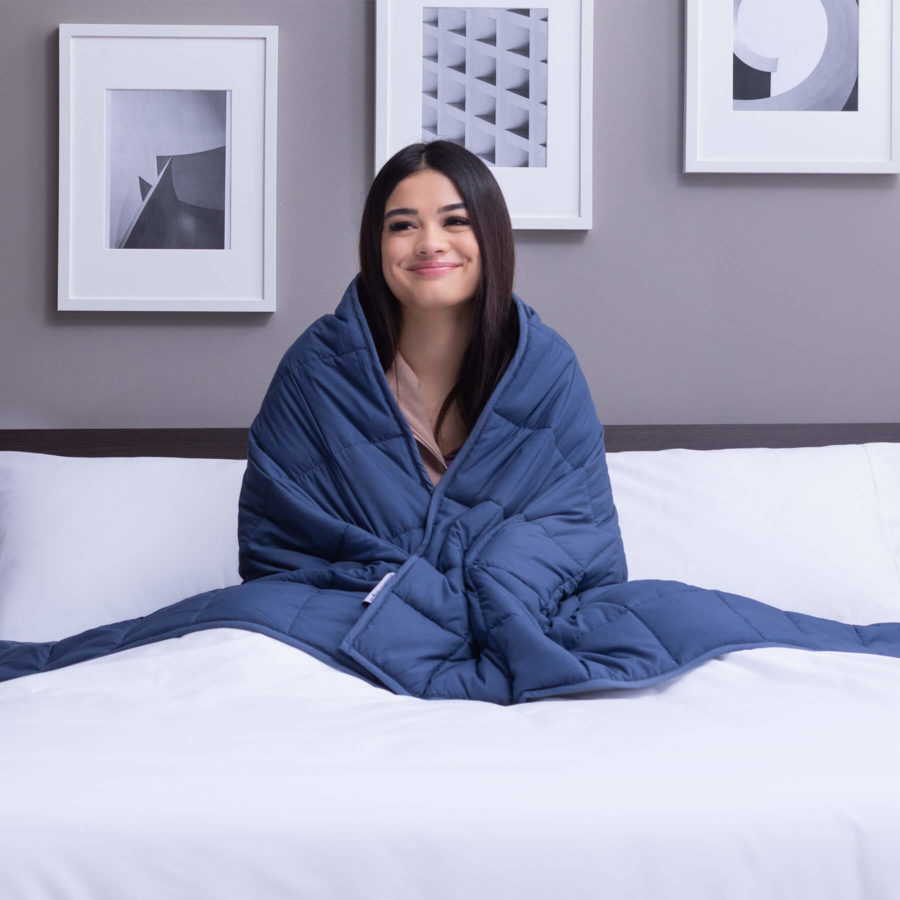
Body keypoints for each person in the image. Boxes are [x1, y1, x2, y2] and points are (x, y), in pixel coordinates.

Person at [356, 140, 519, 484]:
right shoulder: (312, 374)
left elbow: (572, 522)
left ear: (492, 236)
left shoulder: (550, 371)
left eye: (456, 220)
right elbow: (284, 526)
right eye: (402, 225)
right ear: (376, 244)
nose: (430, 243)